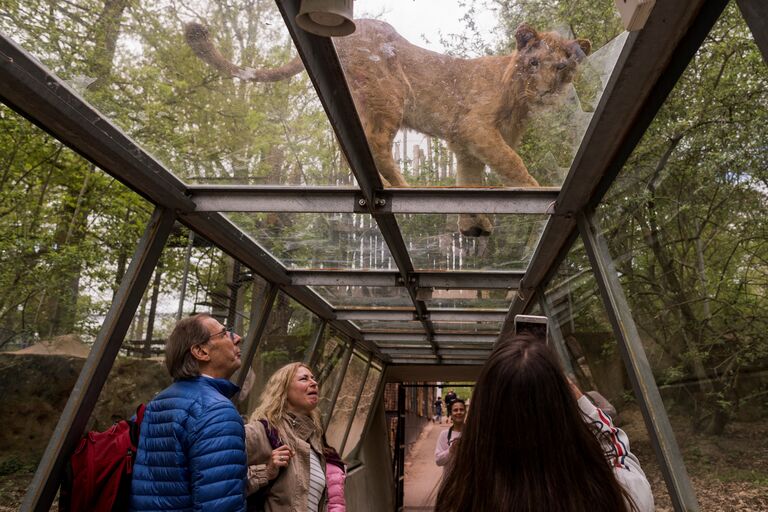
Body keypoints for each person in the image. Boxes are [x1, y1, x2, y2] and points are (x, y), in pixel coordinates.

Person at [435, 332, 654, 512]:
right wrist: (582, 403)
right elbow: (620, 456)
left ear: (483, 417)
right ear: (563, 412)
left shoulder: (459, 500)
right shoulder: (616, 495)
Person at [130, 314, 247, 512]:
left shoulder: (155, 404)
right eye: (224, 333)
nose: (237, 337)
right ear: (201, 351)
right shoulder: (216, 410)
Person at [245, 362, 345, 511]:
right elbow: (222, 480)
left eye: (313, 378)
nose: (314, 383)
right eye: (304, 379)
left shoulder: (314, 440)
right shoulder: (259, 432)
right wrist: (266, 472)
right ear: (283, 390)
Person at [434, 398, 466, 474]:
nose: (459, 412)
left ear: (465, 412)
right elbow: (438, 461)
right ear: (451, 414)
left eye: (461, 410)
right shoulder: (444, 435)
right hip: (449, 482)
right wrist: (451, 450)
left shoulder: (473, 434)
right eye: (455, 410)